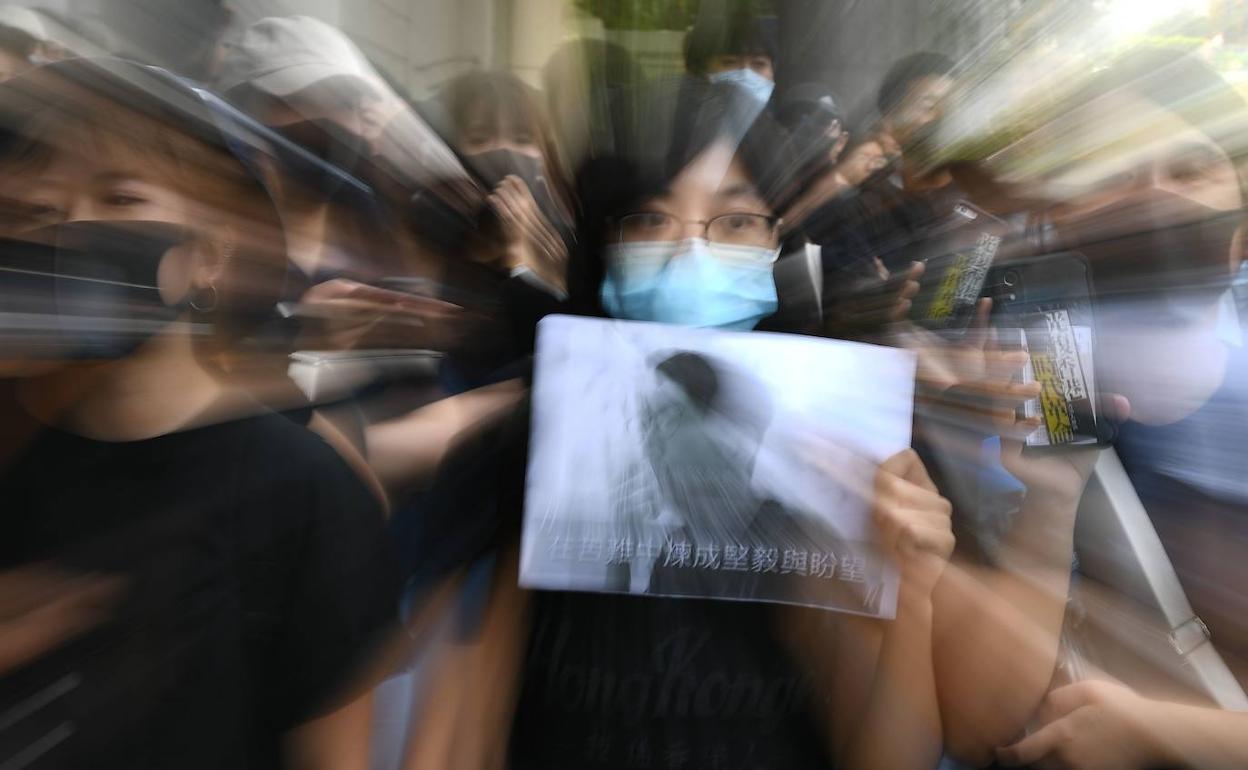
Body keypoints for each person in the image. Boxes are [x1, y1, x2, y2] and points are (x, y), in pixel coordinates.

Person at [404, 77, 955, 770]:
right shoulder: (542, 450)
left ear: (776, 243)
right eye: (650, 221)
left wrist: (915, 595)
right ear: (606, 246)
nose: (691, 254)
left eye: (735, 222)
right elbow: (457, 732)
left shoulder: (827, 469)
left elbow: (884, 757)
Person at [0, 58, 399, 769]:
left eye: (120, 198)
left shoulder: (297, 485)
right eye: (39, 210)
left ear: (210, 255)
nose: (74, 229)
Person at [981, 49, 1248, 770]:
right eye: (1115, 173)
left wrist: (1161, 732)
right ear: (1059, 216)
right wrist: (1047, 501)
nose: (1154, 199)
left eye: (1189, 170)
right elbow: (978, 712)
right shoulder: (1014, 395)